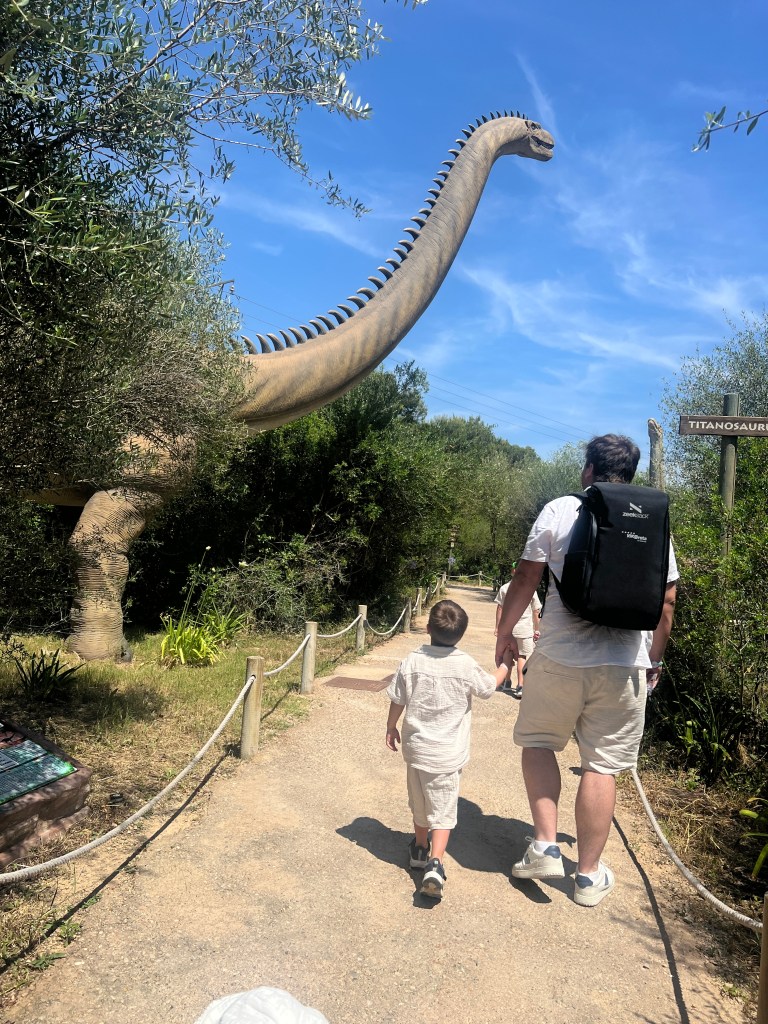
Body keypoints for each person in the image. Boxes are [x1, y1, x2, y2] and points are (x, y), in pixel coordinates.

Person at [494, 434, 677, 907]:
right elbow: (668, 600)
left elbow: (526, 577)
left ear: (589, 471)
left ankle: (545, 846)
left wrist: (504, 633)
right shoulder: (653, 519)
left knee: (538, 743)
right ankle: (589, 877)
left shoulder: (559, 509)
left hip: (558, 657)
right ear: (631, 474)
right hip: (625, 665)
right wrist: (653, 659)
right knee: (602, 767)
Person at [386, 599, 514, 899]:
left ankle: (419, 848)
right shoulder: (465, 664)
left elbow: (398, 698)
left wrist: (391, 726)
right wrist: (506, 665)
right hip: (446, 754)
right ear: (461, 634)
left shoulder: (412, 660)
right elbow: (486, 688)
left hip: (416, 750)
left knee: (419, 802)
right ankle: (435, 862)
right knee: (442, 810)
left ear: (428, 628)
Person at [494, 564, 541, 698]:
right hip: (524, 629)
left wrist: (498, 627)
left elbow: (500, 609)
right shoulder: (531, 589)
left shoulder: (504, 588)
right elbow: (536, 611)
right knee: (523, 656)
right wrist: (537, 629)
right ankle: (521, 685)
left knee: (506, 654)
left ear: (512, 571)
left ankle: (506, 682)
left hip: (509, 628)